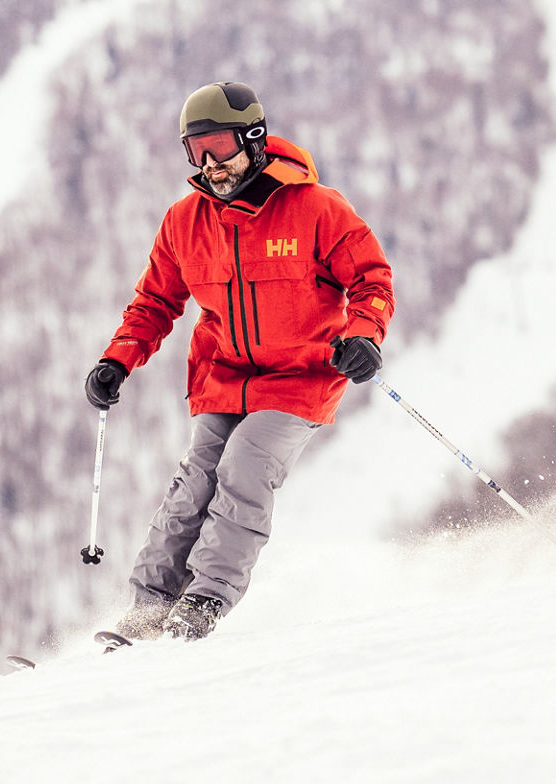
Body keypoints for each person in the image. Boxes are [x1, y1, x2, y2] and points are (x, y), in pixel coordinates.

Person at [82, 82, 393, 641]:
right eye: (195, 150)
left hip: (301, 377)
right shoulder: (185, 221)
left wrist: (364, 334)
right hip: (224, 376)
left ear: (253, 139)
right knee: (196, 481)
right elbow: (154, 302)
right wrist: (117, 361)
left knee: (245, 464)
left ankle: (203, 602)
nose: (209, 164)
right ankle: (147, 611)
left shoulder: (315, 208)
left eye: (220, 147)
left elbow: (371, 278)